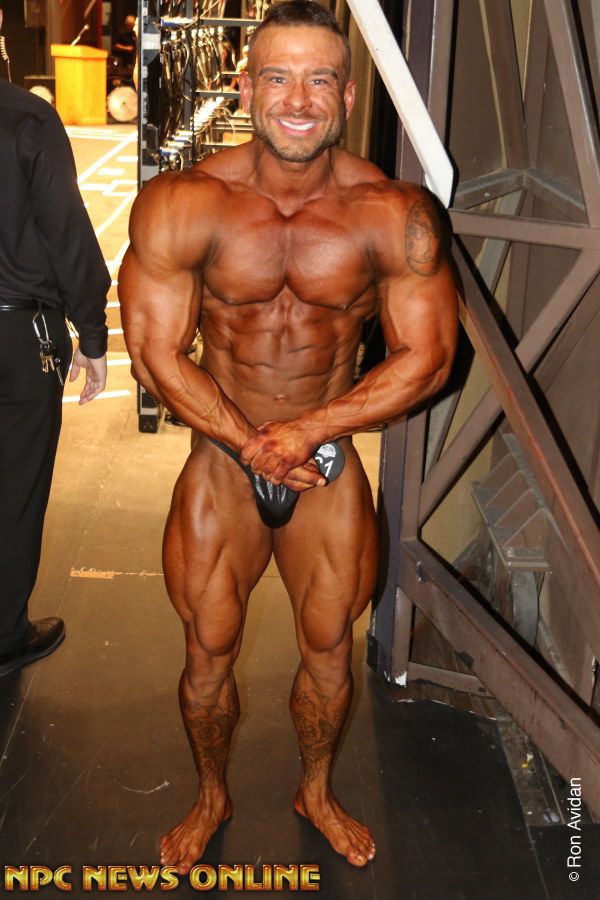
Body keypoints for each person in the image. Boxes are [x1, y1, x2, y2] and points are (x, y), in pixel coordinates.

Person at [119, 0, 458, 873]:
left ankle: (316, 789)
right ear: (245, 88)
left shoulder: (393, 212)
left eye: (318, 80)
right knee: (207, 652)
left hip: (326, 464)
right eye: (277, 77)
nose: (297, 99)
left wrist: (307, 429)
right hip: (220, 461)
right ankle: (211, 795)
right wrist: (249, 441)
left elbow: (429, 358)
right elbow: (155, 354)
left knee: (331, 652)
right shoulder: (183, 203)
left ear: (347, 95)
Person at [0, 12, 109, 678]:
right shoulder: (27, 119)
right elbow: (66, 232)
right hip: (18, 335)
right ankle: (3, 636)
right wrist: (92, 333)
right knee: (15, 487)